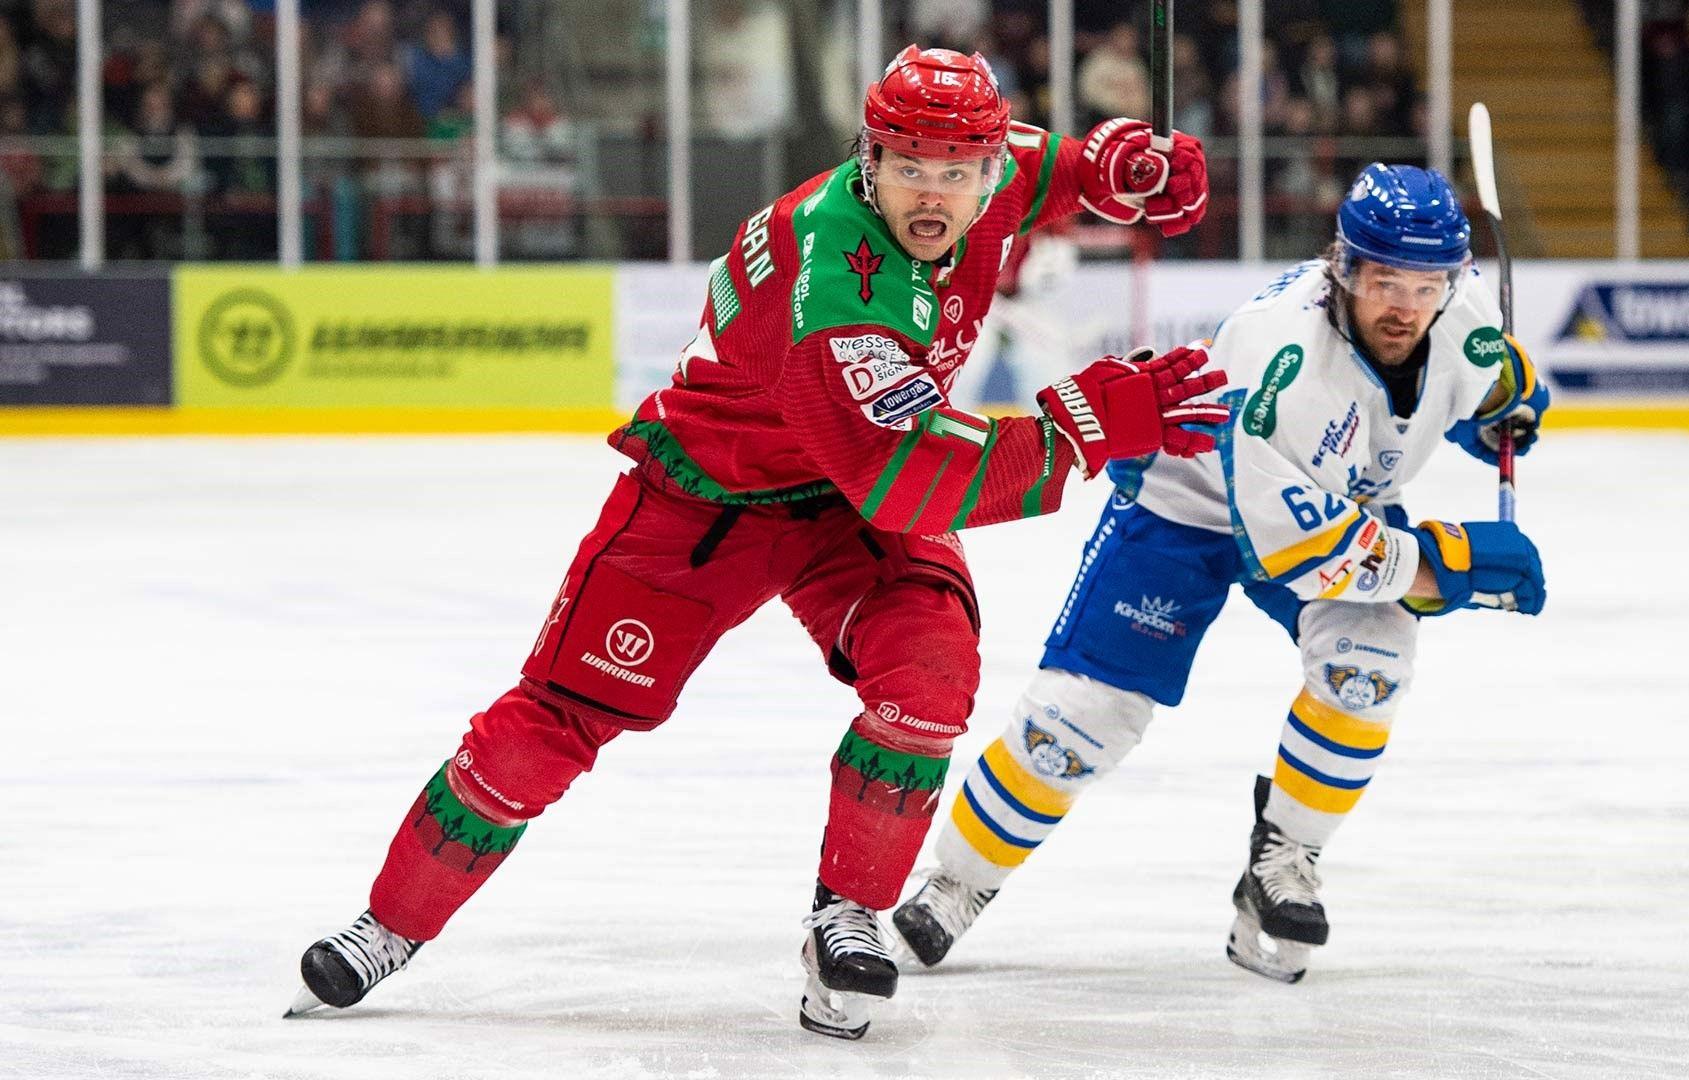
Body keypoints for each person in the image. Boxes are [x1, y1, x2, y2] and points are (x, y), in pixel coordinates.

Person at [284, 46, 1222, 1041]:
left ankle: (845, 920)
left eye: (958, 172)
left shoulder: (986, 168)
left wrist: (1116, 171)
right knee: (557, 718)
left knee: (930, 671)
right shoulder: (835, 274)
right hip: (709, 504)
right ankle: (387, 925)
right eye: (912, 168)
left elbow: (1053, 170)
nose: (934, 192)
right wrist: (1088, 420)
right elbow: (905, 478)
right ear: (870, 156)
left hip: (845, 505)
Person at [892, 163, 1551, 984]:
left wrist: (1502, 407)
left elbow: (1480, 383)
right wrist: (1450, 563)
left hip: (1339, 501)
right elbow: (1304, 551)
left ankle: (1284, 855)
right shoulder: (1276, 354)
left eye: (1427, 287)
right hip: (1192, 497)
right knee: (1081, 719)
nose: (1405, 306)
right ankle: (957, 884)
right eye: (1384, 281)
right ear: (1342, 267)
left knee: (1368, 669)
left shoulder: (1464, 315)